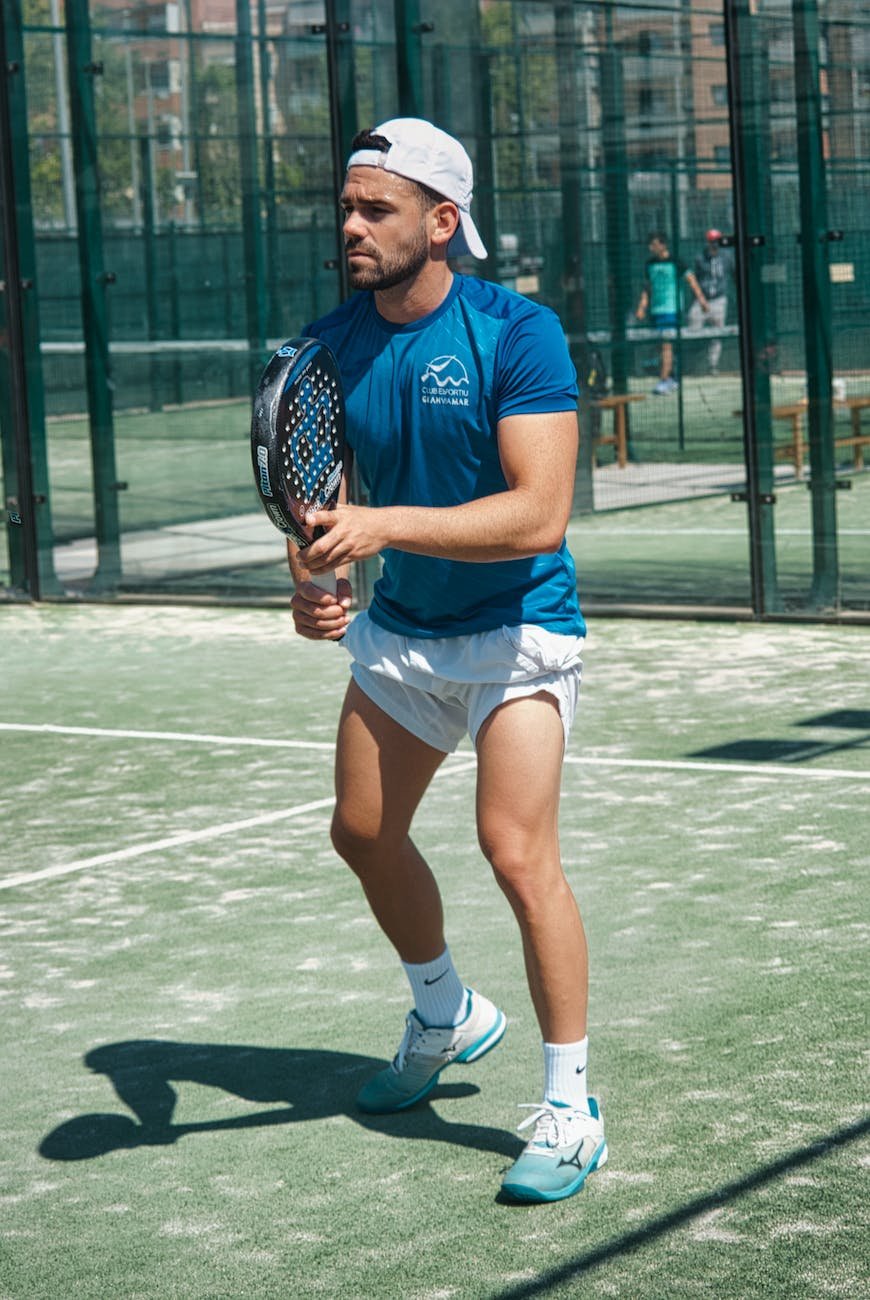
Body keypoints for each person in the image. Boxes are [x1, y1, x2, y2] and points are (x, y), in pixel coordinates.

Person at [287, 118, 607, 1204]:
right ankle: (447, 1012)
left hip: (519, 630)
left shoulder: (521, 334)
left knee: (513, 850)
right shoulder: (328, 346)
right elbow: (320, 503)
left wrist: (382, 531)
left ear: (443, 221)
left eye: (375, 209)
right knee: (362, 830)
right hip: (403, 636)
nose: (351, 226)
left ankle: (570, 1104)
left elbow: (539, 513)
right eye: (346, 206)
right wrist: (315, 577)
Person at [634, 230, 707, 394]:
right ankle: (672, 377)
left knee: (666, 346)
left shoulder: (676, 262)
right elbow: (647, 289)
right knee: (662, 347)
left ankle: (664, 380)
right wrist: (642, 307)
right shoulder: (649, 264)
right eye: (650, 244)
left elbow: (692, 281)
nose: (651, 247)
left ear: (663, 245)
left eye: (654, 244)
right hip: (655, 311)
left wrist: (702, 300)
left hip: (671, 310)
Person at [687, 229, 735, 376]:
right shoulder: (700, 258)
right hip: (702, 300)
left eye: (717, 241)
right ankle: (690, 364)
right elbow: (695, 278)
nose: (715, 244)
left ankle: (712, 365)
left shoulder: (727, 256)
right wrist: (700, 299)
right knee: (692, 327)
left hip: (719, 300)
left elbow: (734, 274)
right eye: (712, 241)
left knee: (717, 333)